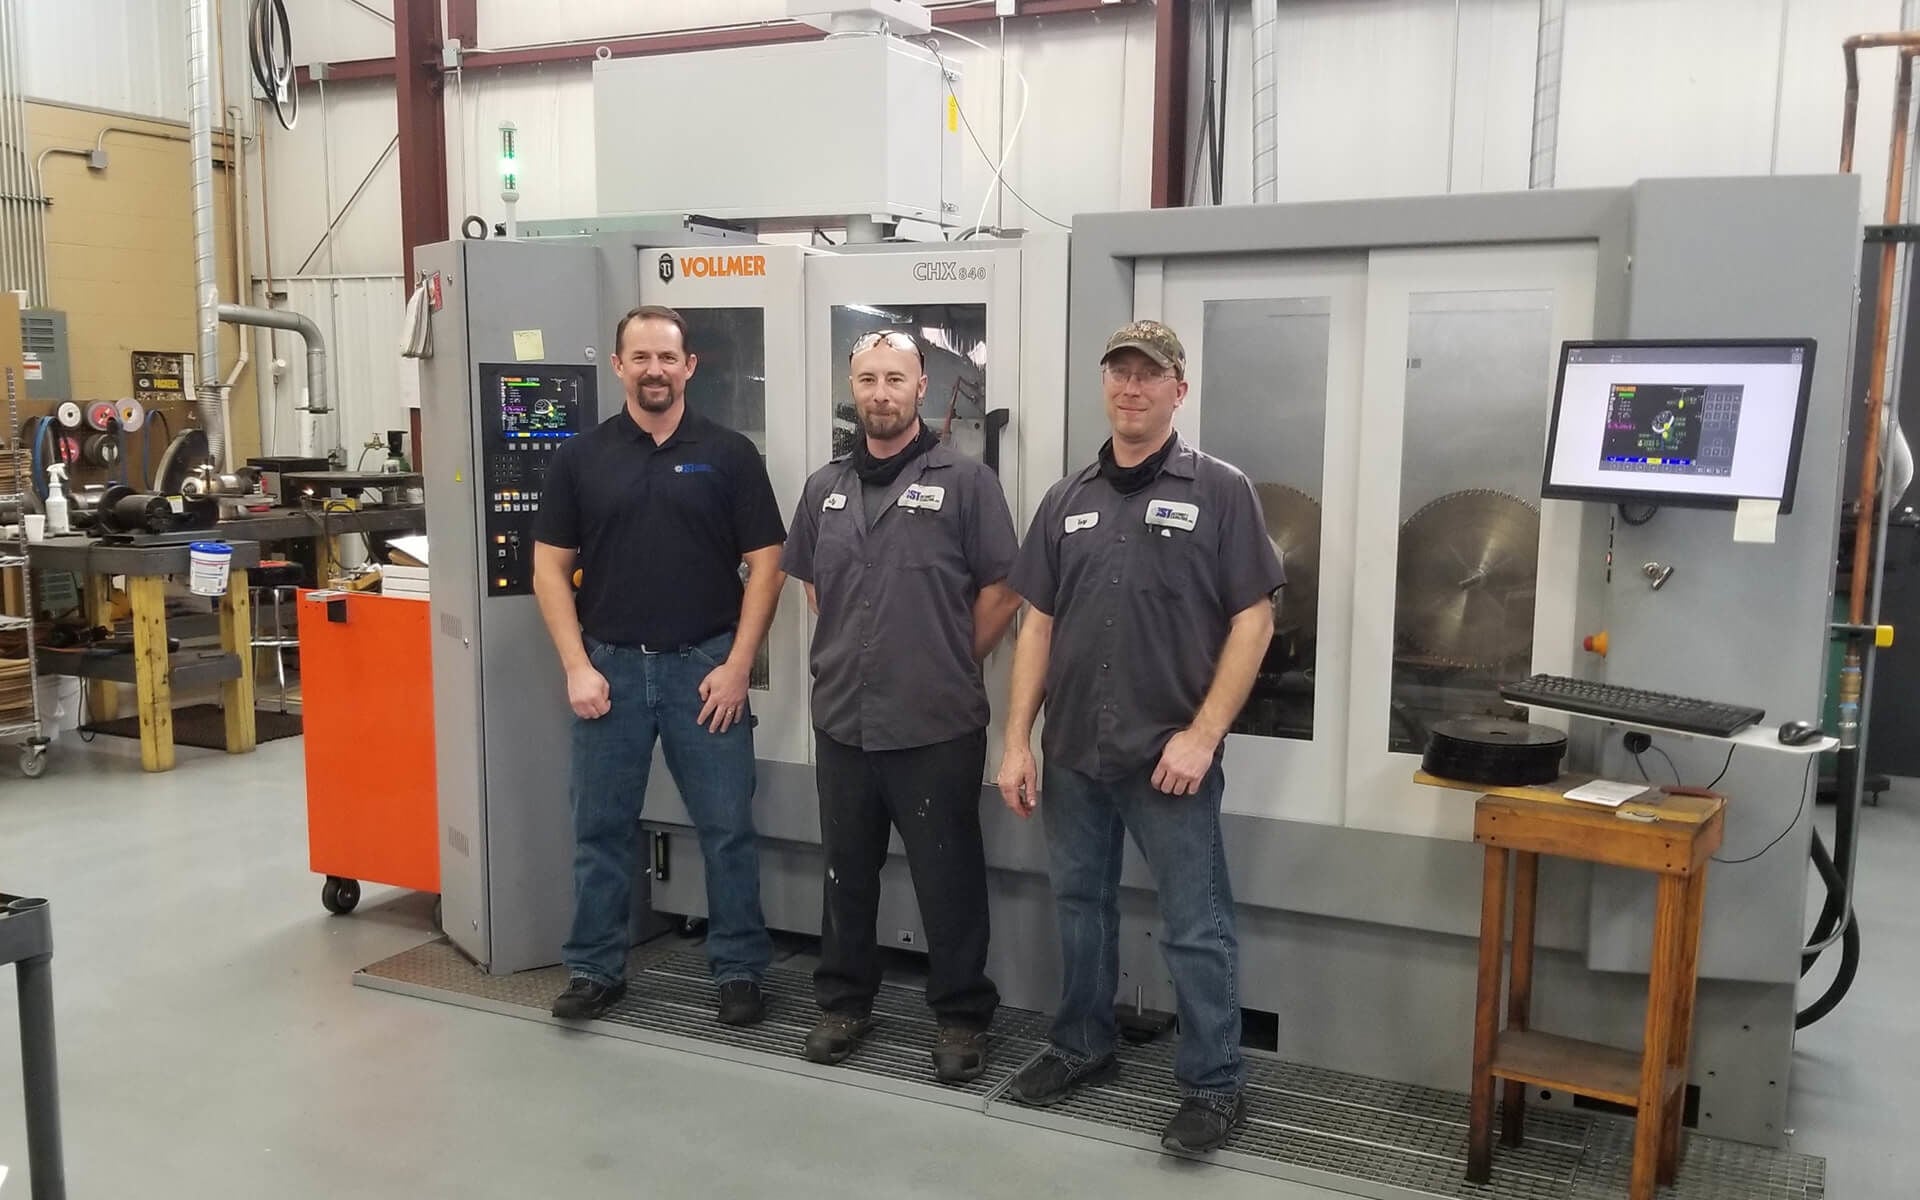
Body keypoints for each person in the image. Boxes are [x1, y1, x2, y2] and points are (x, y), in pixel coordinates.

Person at [996, 319, 1284, 1153]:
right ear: (1105, 384)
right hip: (1073, 751)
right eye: (1119, 372)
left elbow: (1254, 620)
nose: (1131, 387)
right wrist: (1016, 741)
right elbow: (1037, 625)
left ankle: (1215, 1083)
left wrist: (1204, 735)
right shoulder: (1067, 499)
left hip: (1168, 757)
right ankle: (1082, 1043)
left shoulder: (1221, 491)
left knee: (1195, 925)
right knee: (1079, 907)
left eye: (1149, 374)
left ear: (1177, 390)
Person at [532, 304, 786, 1026]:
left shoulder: (730, 455)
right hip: (608, 674)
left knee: (727, 829)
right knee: (600, 829)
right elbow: (549, 569)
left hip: (703, 672)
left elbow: (768, 565)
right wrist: (577, 666)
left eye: (667, 357)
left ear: (689, 366)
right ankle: (593, 969)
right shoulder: (580, 459)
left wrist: (738, 665)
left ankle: (739, 969)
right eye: (640, 357)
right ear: (618, 366)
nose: (654, 370)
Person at [780, 330, 1023, 1082]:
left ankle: (961, 1016)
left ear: (922, 387)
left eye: (895, 378)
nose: (880, 393)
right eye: (867, 379)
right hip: (844, 719)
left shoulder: (968, 483)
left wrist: (948, 657)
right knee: (845, 871)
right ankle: (844, 1001)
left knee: (947, 878)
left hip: (935, 723)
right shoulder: (824, 487)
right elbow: (816, 588)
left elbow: (1003, 590)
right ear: (852, 389)